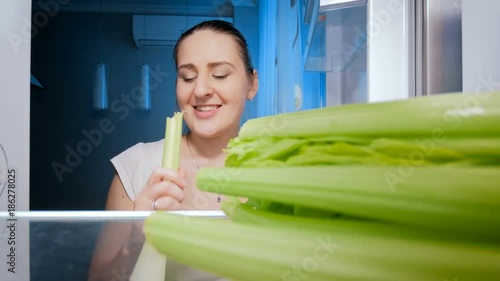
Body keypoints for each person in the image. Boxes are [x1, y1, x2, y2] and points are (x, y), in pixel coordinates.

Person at [87, 20, 258, 281]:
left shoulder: (278, 169)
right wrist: (136, 239)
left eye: (220, 74)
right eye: (187, 77)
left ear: (252, 84)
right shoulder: (136, 166)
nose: (200, 90)